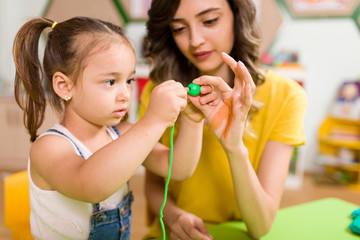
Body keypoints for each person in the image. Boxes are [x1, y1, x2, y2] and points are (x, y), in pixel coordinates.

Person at [13, 16, 218, 240]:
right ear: (64, 86)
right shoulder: (49, 149)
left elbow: (178, 168)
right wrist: (153, 120)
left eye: (129, 81)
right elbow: (91, 185)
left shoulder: (123, 132)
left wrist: (193, 120)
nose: (126, 95)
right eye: (111, 82)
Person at [138, 0, 308, 239]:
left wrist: (234, 147)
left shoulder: (286, 96)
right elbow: (155, 185)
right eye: (179, 28)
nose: (195, 40)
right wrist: (174, 217)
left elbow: (261, 226)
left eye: (209, 21)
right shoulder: (160, 93)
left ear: (237, 17)